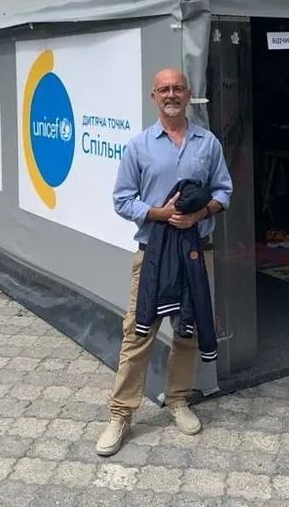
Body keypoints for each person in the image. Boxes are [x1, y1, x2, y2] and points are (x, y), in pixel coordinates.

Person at [98, 67, 233, 457]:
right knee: (138, 334)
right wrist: (158, 213)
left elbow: (225, 190)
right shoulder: (139, 146)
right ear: (154, 97)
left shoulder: (208, 144)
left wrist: (201, 213)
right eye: (164, 90)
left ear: (188, 95)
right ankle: (120, 415)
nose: (171, 94)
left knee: (186, 331)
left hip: (194, 253)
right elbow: (122, 199)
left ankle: (177, 400)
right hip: (153, 255)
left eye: (177, 88)